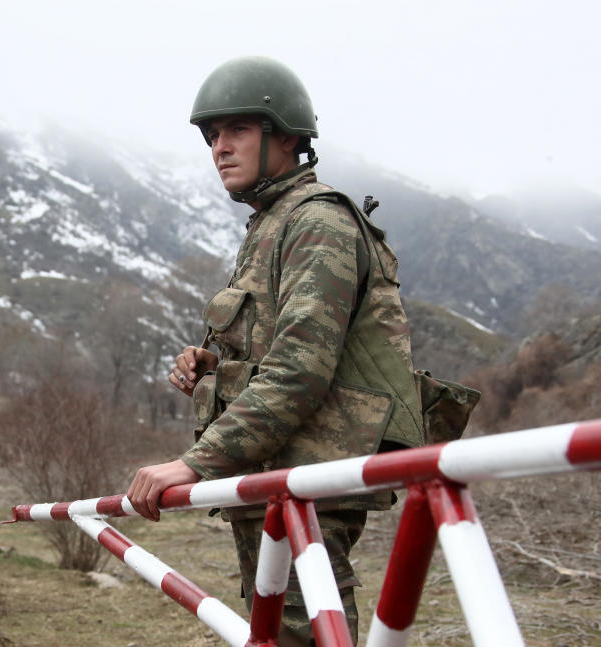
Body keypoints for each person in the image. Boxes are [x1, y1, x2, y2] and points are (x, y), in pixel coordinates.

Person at [126, 56, 425, 645]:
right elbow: (279, 351)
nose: (219, 148)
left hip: (308, 475)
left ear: (286, 136)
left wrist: (194, 463)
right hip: (276, 471)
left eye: (237, 130)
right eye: (212, 137)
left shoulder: (317, 223)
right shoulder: (270, 225)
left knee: (304, 633)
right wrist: (212, 366)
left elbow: (300, 371)